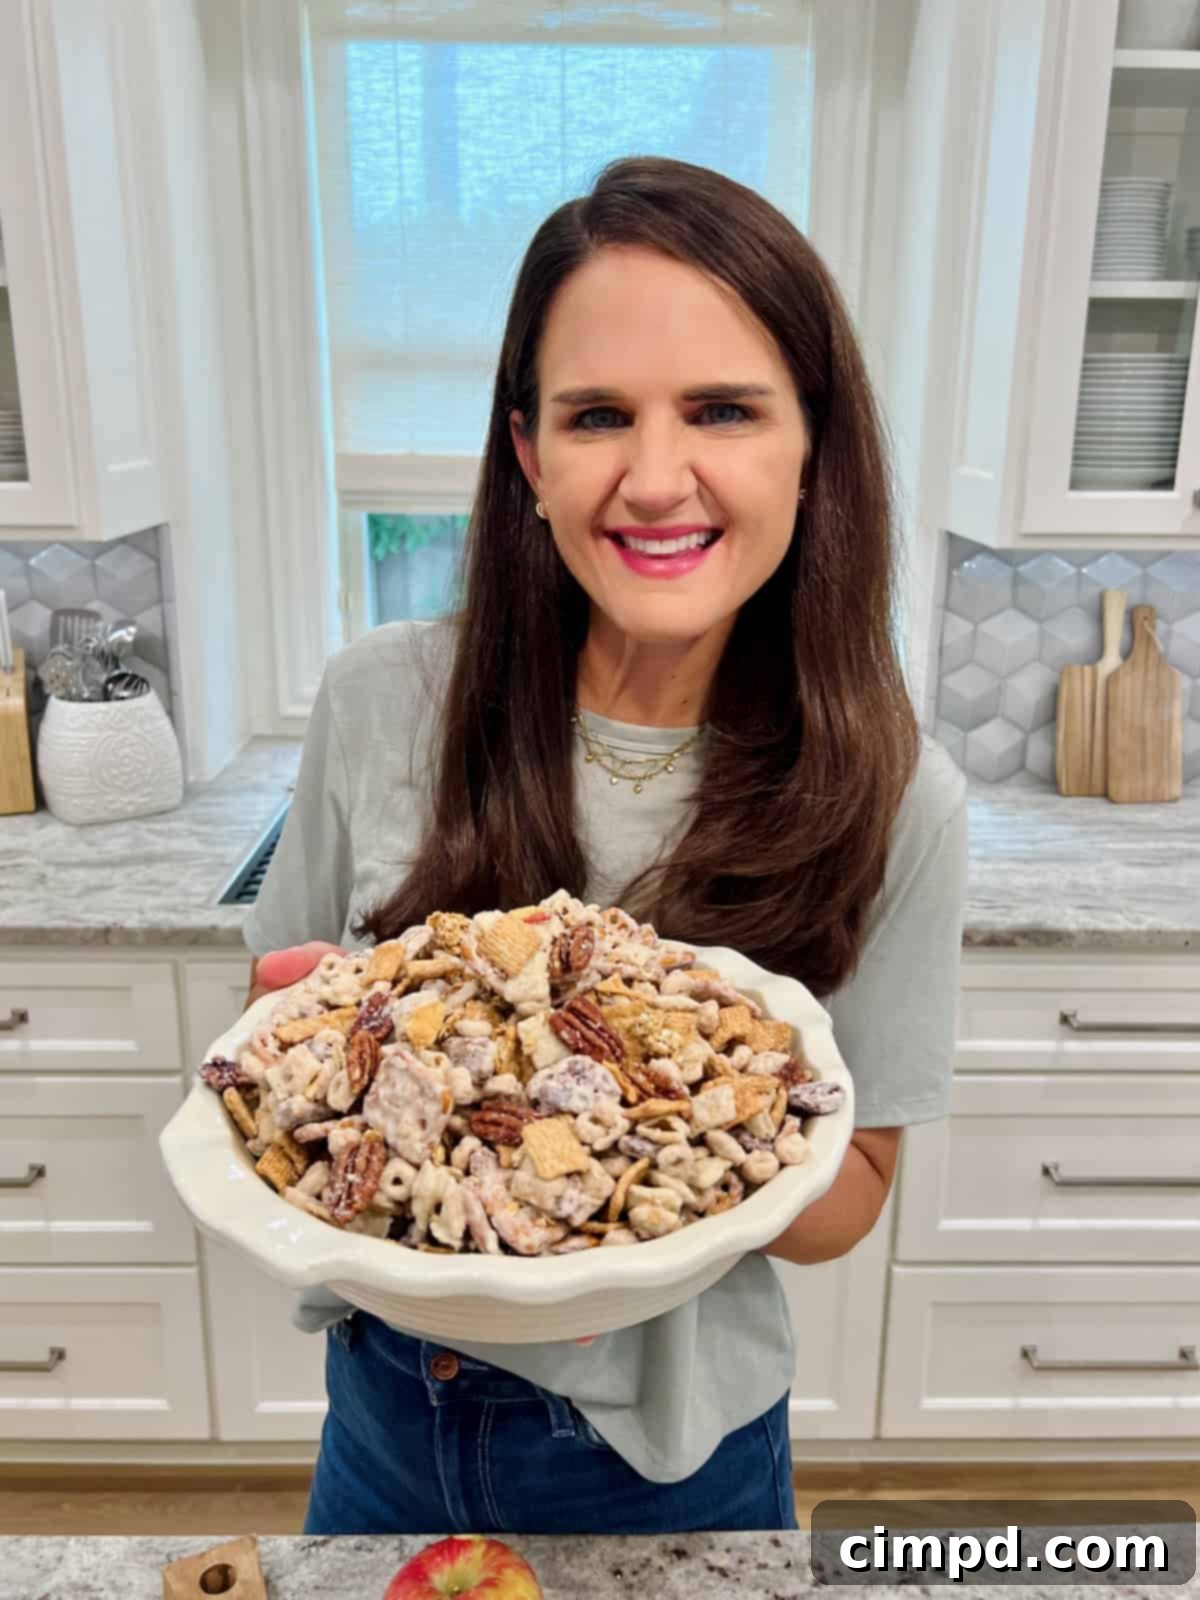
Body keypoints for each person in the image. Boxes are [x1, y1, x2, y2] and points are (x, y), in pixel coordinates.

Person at [242, 155, 968, 1536]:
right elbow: (278, 1024)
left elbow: (852, 1197)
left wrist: (697, 1120)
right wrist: (327, 1052)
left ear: (812, 446)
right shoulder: (381, 700)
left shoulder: (893, 795)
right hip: (384, 1414)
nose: (654, 478)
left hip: (670, 1454)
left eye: (722, 409)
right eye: (595, 416)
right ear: (530, 456)